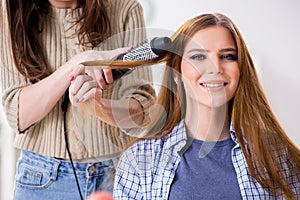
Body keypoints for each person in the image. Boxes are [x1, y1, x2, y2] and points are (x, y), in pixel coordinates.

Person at [108, 13, 300, 199]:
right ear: (176, 74)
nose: (215, 67)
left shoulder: (276, 154)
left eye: (227, 56)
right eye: (199, 57)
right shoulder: (139, 159)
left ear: (240, 70)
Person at [0, 0, 155, 199]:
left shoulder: (124, 7)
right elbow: (18, 115)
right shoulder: (11, 11)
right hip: (42, 179)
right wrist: (77, 63)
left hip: (116, 176)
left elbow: (145, 112)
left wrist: (98, 106)